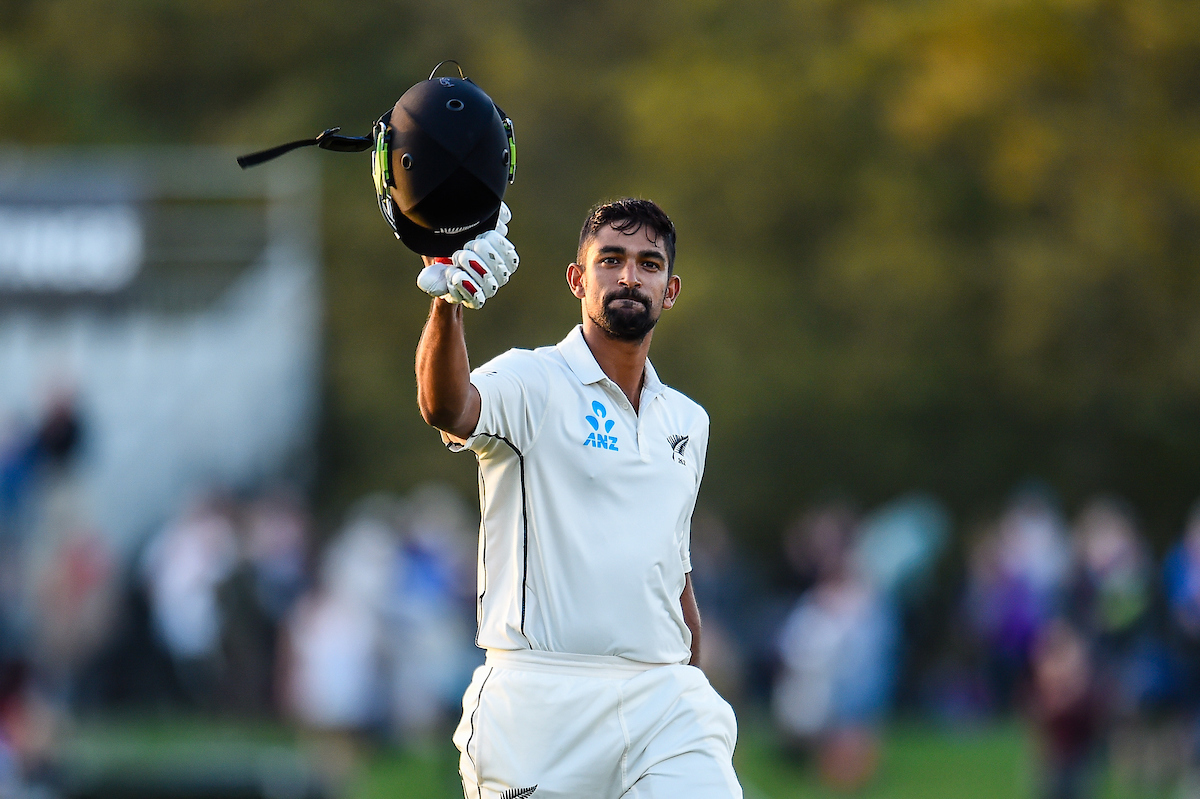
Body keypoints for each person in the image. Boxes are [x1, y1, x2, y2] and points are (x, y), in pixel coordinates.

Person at [414, 198, 741, 798]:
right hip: (539, 702)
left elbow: (672, 562)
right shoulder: (530, 380)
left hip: (662, 700)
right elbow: (446, 406)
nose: (628, 276)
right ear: (577, 279)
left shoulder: (688, 422)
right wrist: (449, 303)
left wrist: (693, 667)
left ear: (669, 291)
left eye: (648, 264)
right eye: (610, 260)